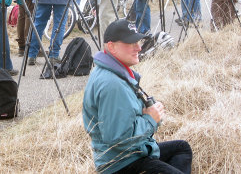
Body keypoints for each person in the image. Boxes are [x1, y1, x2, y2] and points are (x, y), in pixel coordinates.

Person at [82, 19, 193, 174]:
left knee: (181, 149)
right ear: (111, 47)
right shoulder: (113, 84)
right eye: (130, 43)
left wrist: (148, 112)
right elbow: (118, 140)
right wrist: (150, 120)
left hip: (131, 154)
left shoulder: (116, 72)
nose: (139, 47)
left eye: (138, 42)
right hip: (121, 164)